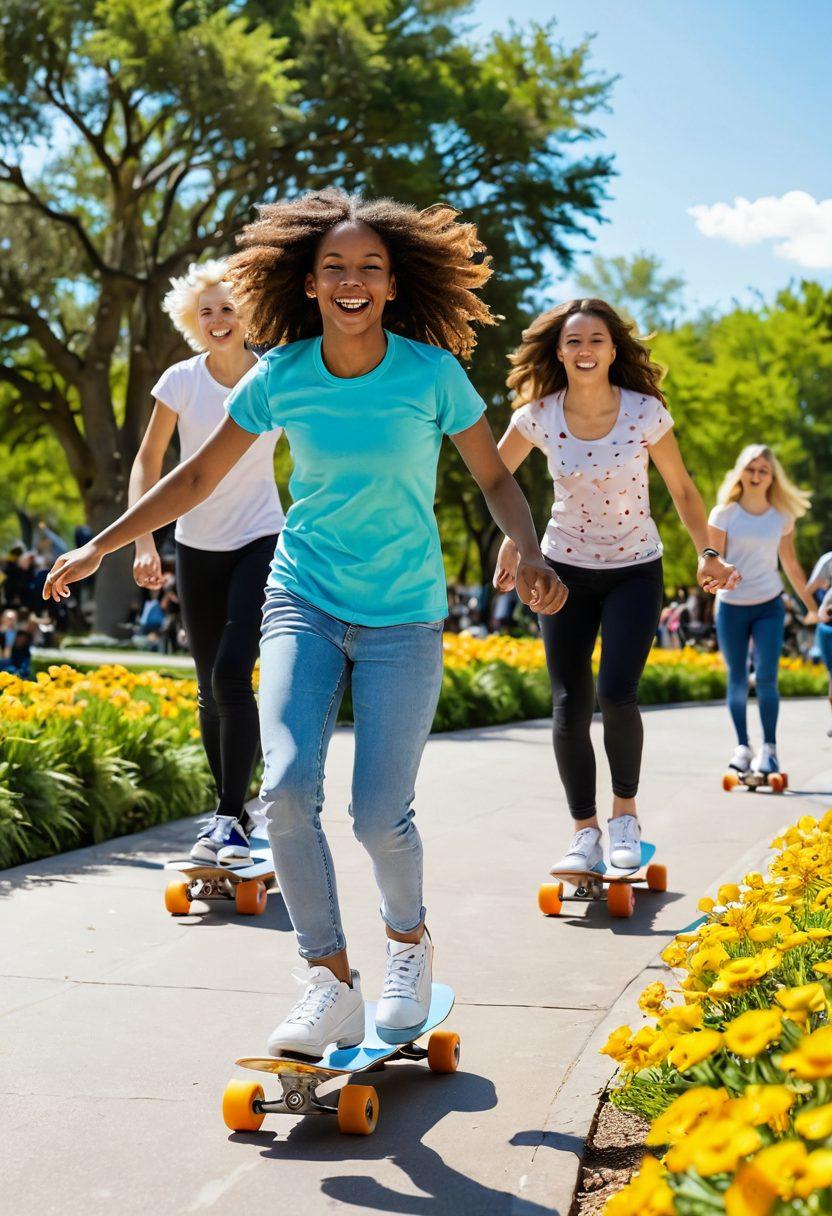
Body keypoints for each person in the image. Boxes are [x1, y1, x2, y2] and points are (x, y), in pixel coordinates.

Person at [44, 189, 567, 1058]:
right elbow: (196, 478)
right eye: (335, 268)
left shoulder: (431, 373)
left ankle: (406, 947)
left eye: (369, 268)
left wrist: (530, 550)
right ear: (310, 281)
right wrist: (103, 542)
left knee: (378, 817)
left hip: (404, 613)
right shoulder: (282, 371)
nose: (352, 281)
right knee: (285, 791)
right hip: (305, 598)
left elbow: (498, 480)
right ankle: (328, 981)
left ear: (395, 283)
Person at [493, 298, 738, 879]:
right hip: (561, 570)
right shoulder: (539, 414)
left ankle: (625, 817)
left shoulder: (645, 412)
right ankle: (584, 834)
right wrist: (517, 542)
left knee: (617, 692)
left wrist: (708, 551)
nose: (584, 350)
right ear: (558, 351)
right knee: (568, 702)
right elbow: (494, 476)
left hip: (634, 567)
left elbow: (681, 489)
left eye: (596, 340)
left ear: (613, 349)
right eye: (573, 341)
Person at [129, 261, 285, 863]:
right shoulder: (180, 380)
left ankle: (226, 817)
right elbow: (149, 461)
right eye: (207, 312)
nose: (219, 320)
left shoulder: (273, 377)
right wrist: (145, 541)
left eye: (228, 308)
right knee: (206, 688)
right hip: (195, 545)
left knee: (229, 675)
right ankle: (235, 810)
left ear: (250, 313)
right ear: (192, 322)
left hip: (260, 539)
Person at [708, 444, 818, 776]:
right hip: (731, 607)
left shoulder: (781, 518)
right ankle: (743, 747)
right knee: (738, 678)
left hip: (769, 605)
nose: (756, 476)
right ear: (740, 471)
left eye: (763, 471)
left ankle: (769, 749)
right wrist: (723, 572)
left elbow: (791, 565)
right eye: (751, 469)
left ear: (772, 478)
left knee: (767, 677)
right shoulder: (723, 514)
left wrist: (812, 608)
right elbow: (712, 560)